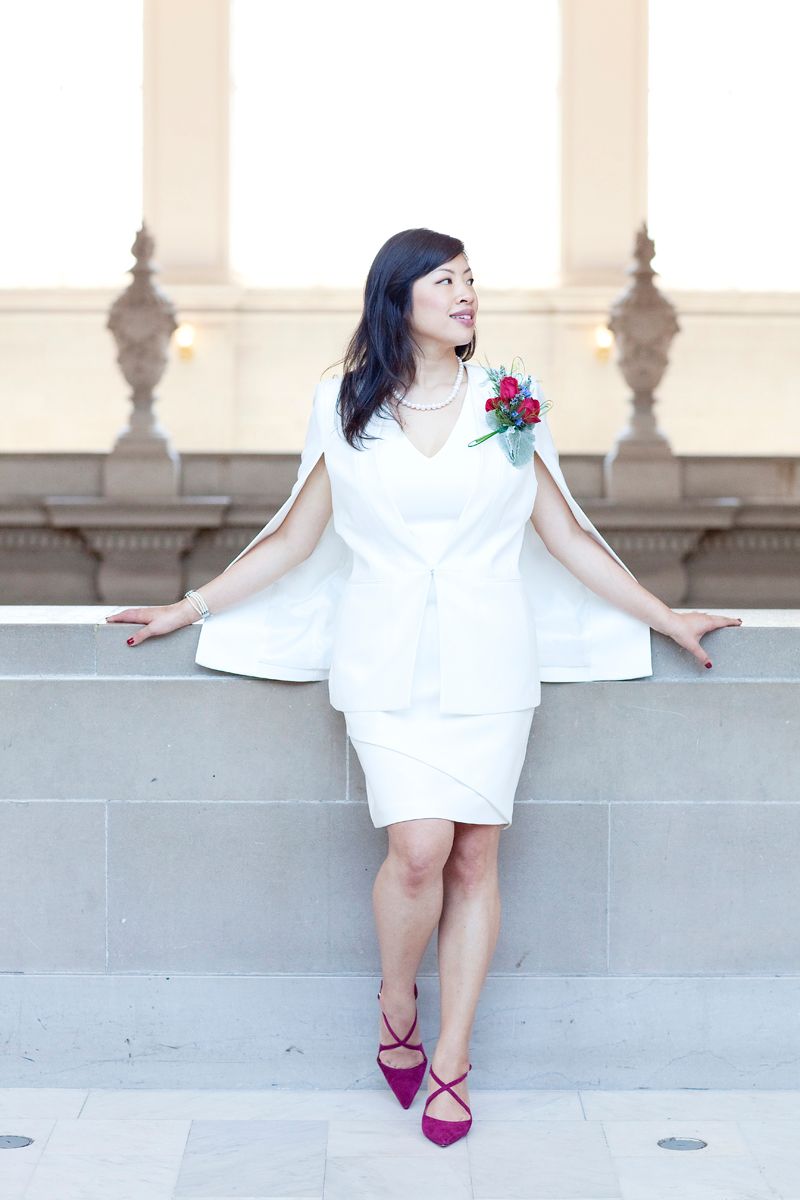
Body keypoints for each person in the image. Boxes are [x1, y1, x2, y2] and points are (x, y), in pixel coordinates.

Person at [106, 227, 742, 1148]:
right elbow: (293, 537)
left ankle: (452, 1058)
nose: (466, 294)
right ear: (398, 296)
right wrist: (187, 606)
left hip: (491, 662)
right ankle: (397, 995)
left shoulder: (509, 402)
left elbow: (565, 538)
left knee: (475, 857)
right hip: (384, 661)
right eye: (446, 280)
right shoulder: (343, 404)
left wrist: (666, 616)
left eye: (471, 281)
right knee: (418, 848)